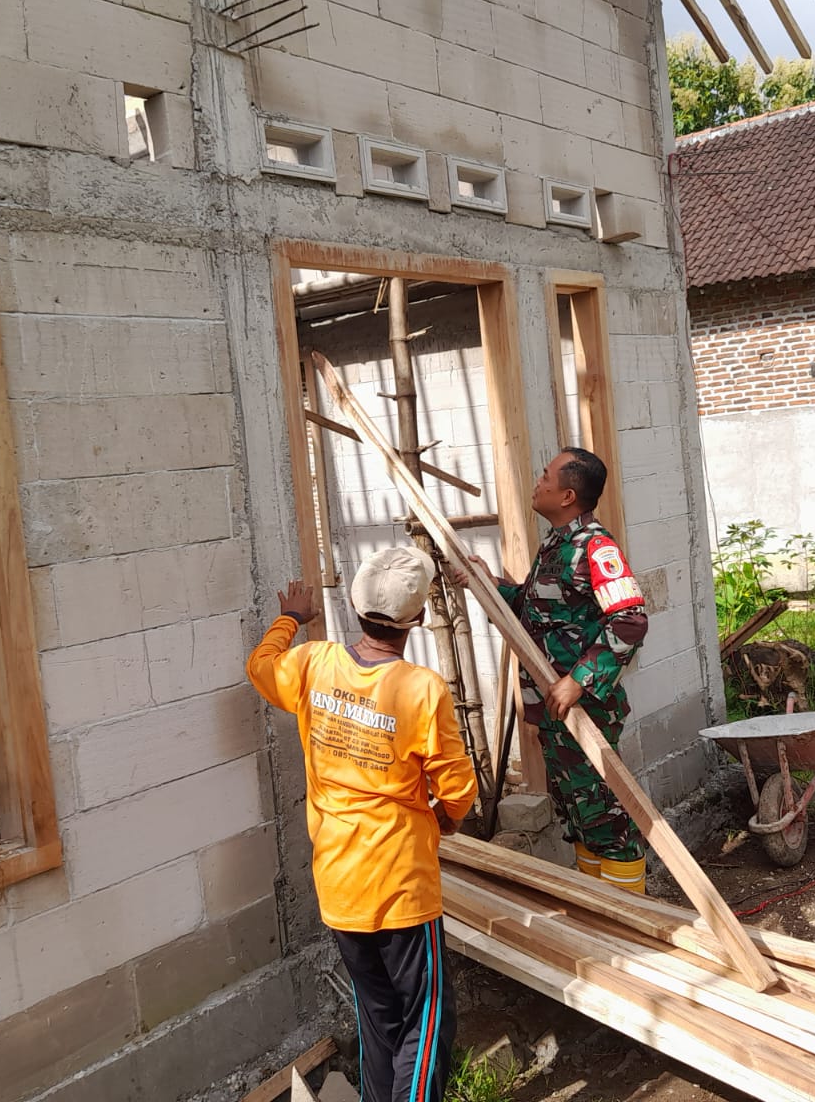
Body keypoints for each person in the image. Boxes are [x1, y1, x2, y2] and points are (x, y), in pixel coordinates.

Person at [246, 546, 476, 1102]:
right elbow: (458, 791)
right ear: (417, 619)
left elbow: (260, 668)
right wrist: (443, 822)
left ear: (352, 606)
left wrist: (290, 621)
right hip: (401, 885)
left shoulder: (313, 663)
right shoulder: (422, 689)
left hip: (339, 881)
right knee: (425, 1018)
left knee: (377, 1016)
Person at [459, 448, 650, 893]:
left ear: (567, 495)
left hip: (585, 713)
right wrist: (489, 583)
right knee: (579, 814)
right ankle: (599, 908)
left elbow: (630, 619)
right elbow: (531, 611)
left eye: (545, 475)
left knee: (605, 813)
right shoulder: (556, 543)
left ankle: (633, 920)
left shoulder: (594, 548)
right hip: (555, 713)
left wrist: (579, 681)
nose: (537, 481)